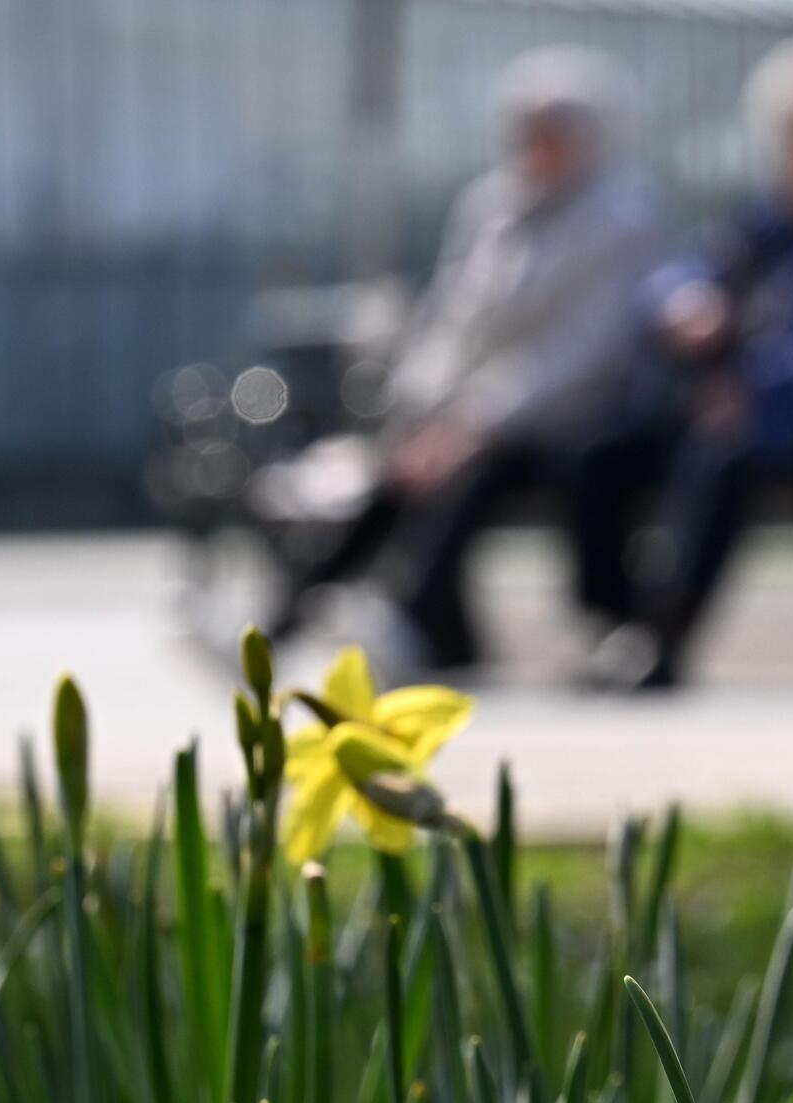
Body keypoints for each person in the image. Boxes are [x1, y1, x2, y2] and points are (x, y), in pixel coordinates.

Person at [271, 45, 660, 671]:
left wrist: (472, 422)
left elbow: (581, 351)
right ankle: (291, 619)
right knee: (397, 470)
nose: (536, 148)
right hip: (475, 411)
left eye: (553, 134)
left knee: (465, 476)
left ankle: (418, 624)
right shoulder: (491, 208)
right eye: (526, 133)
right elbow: (454, 316)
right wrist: (424, 409)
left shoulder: (621, 219)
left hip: (569, 416)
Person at [577, 32, 793, 688]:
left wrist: (760, 387)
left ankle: (663, 645)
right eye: (792, 138)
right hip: (734, 410)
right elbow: (684, 272)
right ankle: (615, 626)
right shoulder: (766, 221)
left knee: (720, 457)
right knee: (600, 452)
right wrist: (685, 301)